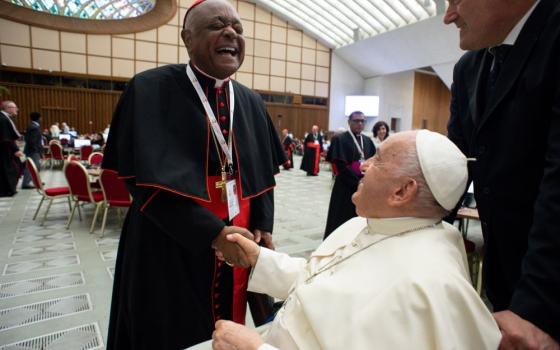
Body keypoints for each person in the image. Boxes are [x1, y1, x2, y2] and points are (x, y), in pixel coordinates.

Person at [102, 0, 286, 349]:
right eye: (217, 25)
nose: (231, 32)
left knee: (229, 331)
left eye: (238, 28)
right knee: (169, 329)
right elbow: (143, 183)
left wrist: (263, 225)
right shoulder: (149, 89)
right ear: (187, 38)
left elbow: (263, 175)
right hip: (168, 243)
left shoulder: (250, 101)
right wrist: (213, 234)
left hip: (240, 238)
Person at [210, 130, 501, 350]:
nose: (362, 165)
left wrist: (257, 348)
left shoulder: (424, 285)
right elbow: (325, 279)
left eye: (378, 160)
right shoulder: (371, 224)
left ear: (402, 192)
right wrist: (259, 258)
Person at [444, 0, 560, 347]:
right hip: (507, 277)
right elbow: (455, 166)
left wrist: (535, 308)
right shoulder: (468, 68)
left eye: (456, 0)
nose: (449, 16)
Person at [324, 111, 375, 238]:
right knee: (341, 215)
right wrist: (356, 181)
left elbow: (373, 161)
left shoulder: (368, 141)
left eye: (362, 121)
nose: (359, 124)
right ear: (349, 122)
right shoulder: (340, 139)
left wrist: (366, 180)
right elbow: (338, 165)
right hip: (345, 186)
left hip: (364, 185)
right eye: (356, 121)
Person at [0, 100, 23, 197]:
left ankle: (8, 189)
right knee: (9, 169)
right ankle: (8, 190)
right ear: (8, 108)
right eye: (15, 107)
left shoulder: (4, 117)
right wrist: (15, 150)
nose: (16, 109)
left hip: (5, 149)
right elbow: (6, 138)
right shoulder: (3, 119)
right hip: (5, 150)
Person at [21, 112, 42, 189]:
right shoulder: (34, 127)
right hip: (33, 151)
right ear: (39, 118)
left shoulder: (31, 126)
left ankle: (36, 181)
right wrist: (37, 151)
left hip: (31, 150)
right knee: (31, 167)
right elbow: (32, 141)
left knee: (37, 166)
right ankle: (26, 183)